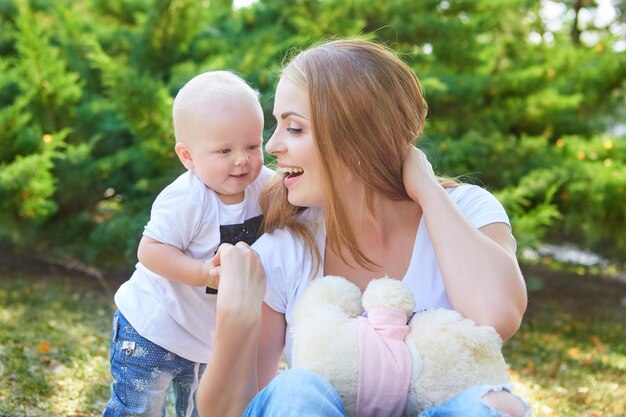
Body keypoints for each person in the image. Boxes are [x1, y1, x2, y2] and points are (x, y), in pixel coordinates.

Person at [197, 39, 530, 417]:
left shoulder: (465, 210)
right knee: (294, 390)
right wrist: (235, 319)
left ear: (355, 138)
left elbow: (498, 316)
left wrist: (427, 189)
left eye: (294, 128)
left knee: (493, 406)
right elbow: (228, 412)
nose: (272, 145)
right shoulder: (286, 247)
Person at [103, 70, 274, 417]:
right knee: (139, 410)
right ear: (188, 156)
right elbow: (150, 251)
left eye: (252, 146)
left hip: (205, 340)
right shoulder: (187, 199)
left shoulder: (265, 187)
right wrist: (199, 272)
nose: (242, 159)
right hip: (152, 328)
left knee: (200, 409)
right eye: (224, 150)